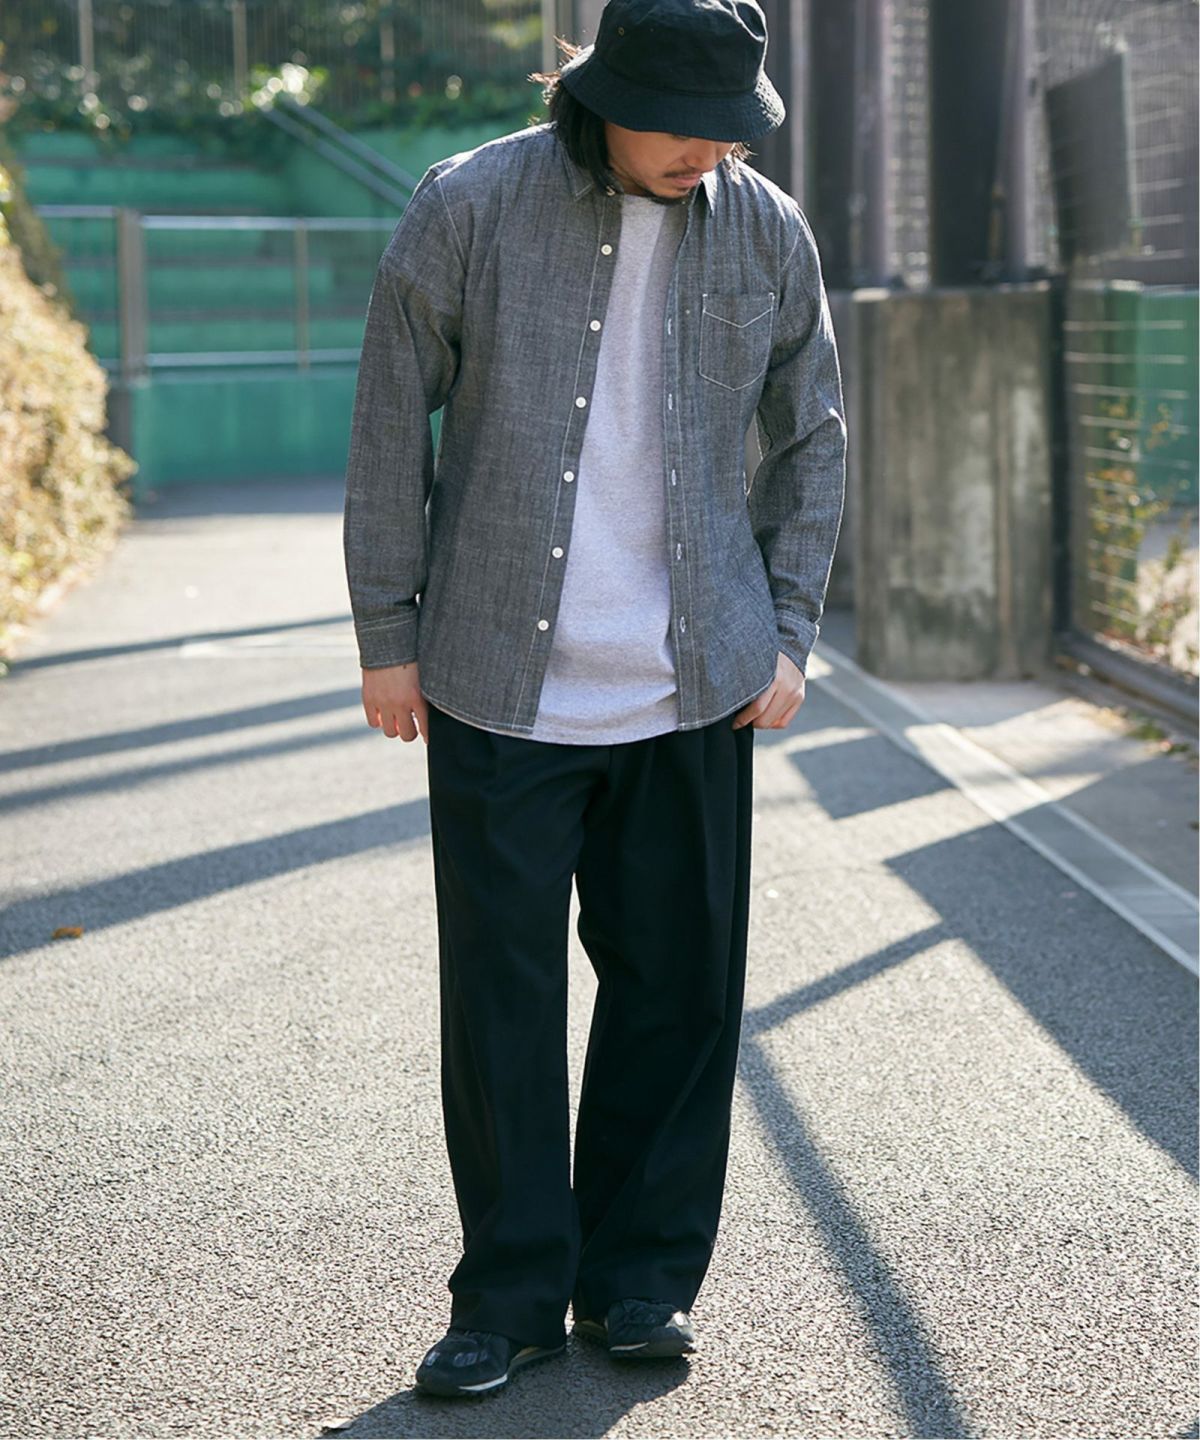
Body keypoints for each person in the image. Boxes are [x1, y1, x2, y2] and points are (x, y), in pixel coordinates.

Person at [342, 0, 846, 1399]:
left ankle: (639, 1281)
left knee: (678, 998)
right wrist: (387, 631)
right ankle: (505, 1298)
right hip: (498, 678)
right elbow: (389, 414)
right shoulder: (470, 204)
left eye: (731, 130)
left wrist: (789, 630)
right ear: (602, 95)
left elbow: (812, 434)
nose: (708, 152)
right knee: (501, 1002)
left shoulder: (766, 230)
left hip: (698, 682)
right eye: (683, 125)